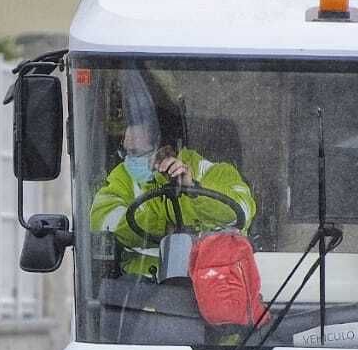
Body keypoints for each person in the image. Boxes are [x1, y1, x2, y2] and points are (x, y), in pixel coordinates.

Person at [89, 119, 256, 278]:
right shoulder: (123, 176)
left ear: (168, 150)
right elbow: (101, 220)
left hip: (210, 281)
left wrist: (193, 190)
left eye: (137, 153)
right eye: (126, 151)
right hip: (142, 284)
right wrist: (165, 221)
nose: (129, 159)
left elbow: (241, 209)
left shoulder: (213, 172)